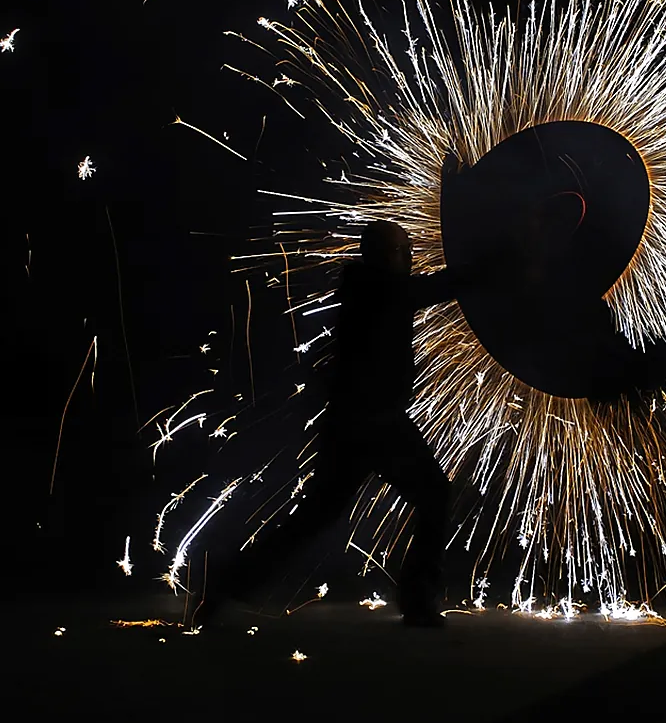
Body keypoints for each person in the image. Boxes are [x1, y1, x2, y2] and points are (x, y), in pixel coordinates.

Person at [193, 157, 551, 629]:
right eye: (404, 250)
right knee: (432, 493)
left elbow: (435, 286)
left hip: (355, 422)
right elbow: (442, 285)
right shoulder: (376, 288)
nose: (410, 258)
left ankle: (225, 586)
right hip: (373, 420)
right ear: (386, 254)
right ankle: (419, 601)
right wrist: (503, 255)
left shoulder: (369, 287)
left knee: (315, 517)